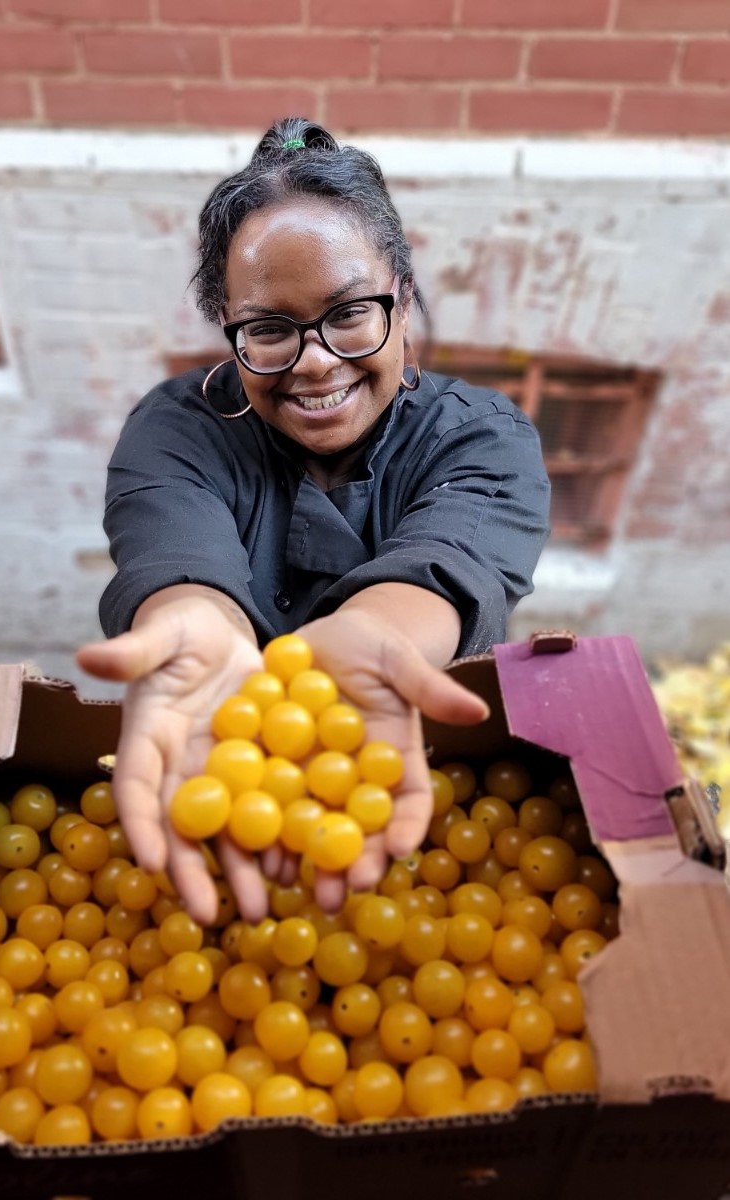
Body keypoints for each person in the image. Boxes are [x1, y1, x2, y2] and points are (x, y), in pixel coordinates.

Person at [77, 117, 551, 927]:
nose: (316, 361)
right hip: (223, 773)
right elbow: (177, 558)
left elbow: (441, 567)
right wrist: (195, 624)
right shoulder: (178, 429)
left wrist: (376, 641)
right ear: (229, 329)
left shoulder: (483, 440)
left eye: (348, 313)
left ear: (401, 298)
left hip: (404, 766)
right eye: (268, 329)